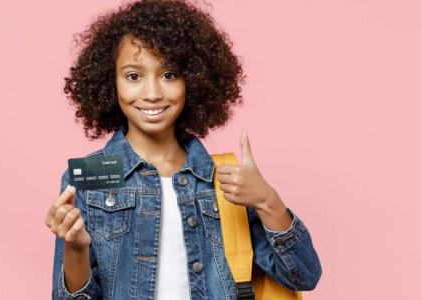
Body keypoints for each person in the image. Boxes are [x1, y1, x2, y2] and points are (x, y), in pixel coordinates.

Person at [44, 1, 322, 299]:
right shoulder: (88, 180)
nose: (152, 94)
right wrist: (75, 248)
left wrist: (268, 201)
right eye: (134, 76)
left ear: (194, 80)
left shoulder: (223, 182)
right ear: (110, 82)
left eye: (169, 75)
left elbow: (303, 276)